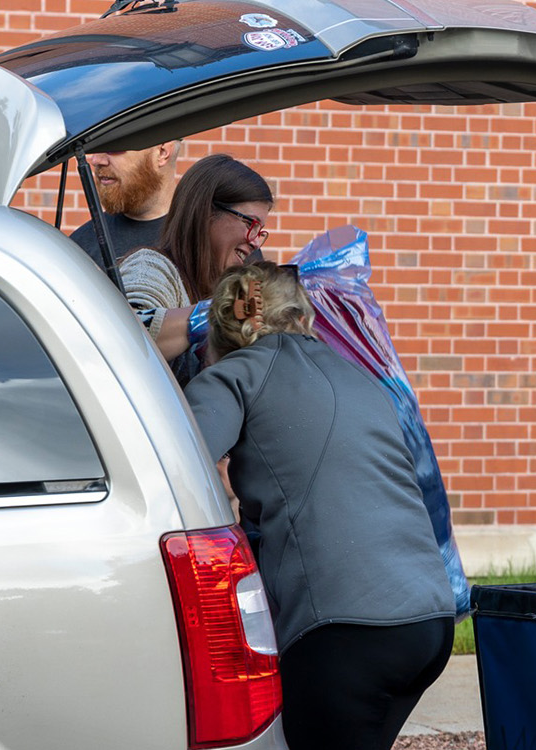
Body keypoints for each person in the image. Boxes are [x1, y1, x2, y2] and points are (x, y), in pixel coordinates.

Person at [183, 261, 453, 750]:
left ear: (219, 328)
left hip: (345, 628)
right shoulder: (359, 377)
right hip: (428, 619)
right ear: (303, 315)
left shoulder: (235, 375)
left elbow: (174, 466)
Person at [122, 153, 272, 381]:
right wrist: (218, 312)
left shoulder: (212, 285)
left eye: (260, 232)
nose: (254, 242)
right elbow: (127, 337)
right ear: (205, 212)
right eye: (250, 223)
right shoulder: (151, 267)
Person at [68, 141, 181, 268]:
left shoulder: (202, 236)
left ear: (161, 153)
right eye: (95, 147)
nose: (96, 160)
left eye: (113, 147)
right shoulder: (80, 248)